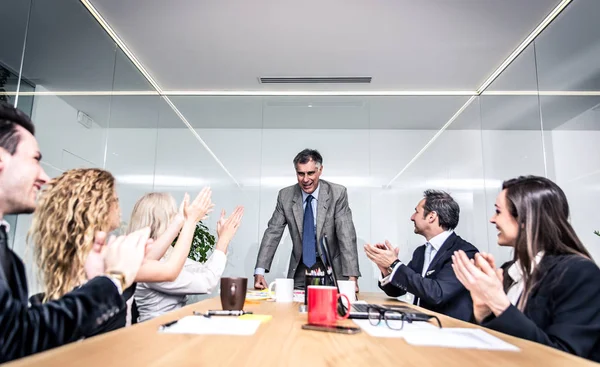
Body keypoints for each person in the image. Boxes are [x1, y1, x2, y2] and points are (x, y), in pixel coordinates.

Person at [0, 101, 149, 362]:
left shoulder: (7, 257)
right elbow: (16, 338)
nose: (45, 177)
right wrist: (112, 280)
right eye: (35, 159)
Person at [30, 168, 214, 335]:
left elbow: (146, 260)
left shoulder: (90, 250)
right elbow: (170, 271)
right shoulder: (101, 256)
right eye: (115, 201)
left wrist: (180, 220)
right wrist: (190, 223)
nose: (120, 207)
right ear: (98, 208)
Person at [452, 176, 600, 362]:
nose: (492, 219)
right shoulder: (509, 271)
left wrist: (497, 302)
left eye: (498, 211)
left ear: (524, 218)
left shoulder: (580, 273)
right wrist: (482, 309)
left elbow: (564, 358)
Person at [254, 149, 360, 290]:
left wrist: (352, 277)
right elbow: (273, 232)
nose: (305, 179)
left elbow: (346, 235)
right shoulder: (285, 196)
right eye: (300, 173)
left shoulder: (337, 193)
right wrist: (259, 271)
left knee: (332, 309)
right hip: (301, 267)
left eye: (310, 173)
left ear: (320, 170)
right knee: (294, 308)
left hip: (331, 268)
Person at [365, 190, 478, 321]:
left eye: (416, 212)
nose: (412, 217)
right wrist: (387, 270)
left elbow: (437, 294)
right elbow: (397, 291)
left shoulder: (464, 253)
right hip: (422, 325)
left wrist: (395, 264)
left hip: (448, 329)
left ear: (431, 216)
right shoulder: (421, 252)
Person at [130, 192, 244, 321]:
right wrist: (223, 240)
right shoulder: (148, 261)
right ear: (164, 221)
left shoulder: (166, 254)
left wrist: (223, 240)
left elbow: (202, 271)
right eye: (175, 215)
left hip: (174, 325)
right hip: (158, 331)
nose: (180, 220)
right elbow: (206, 282)